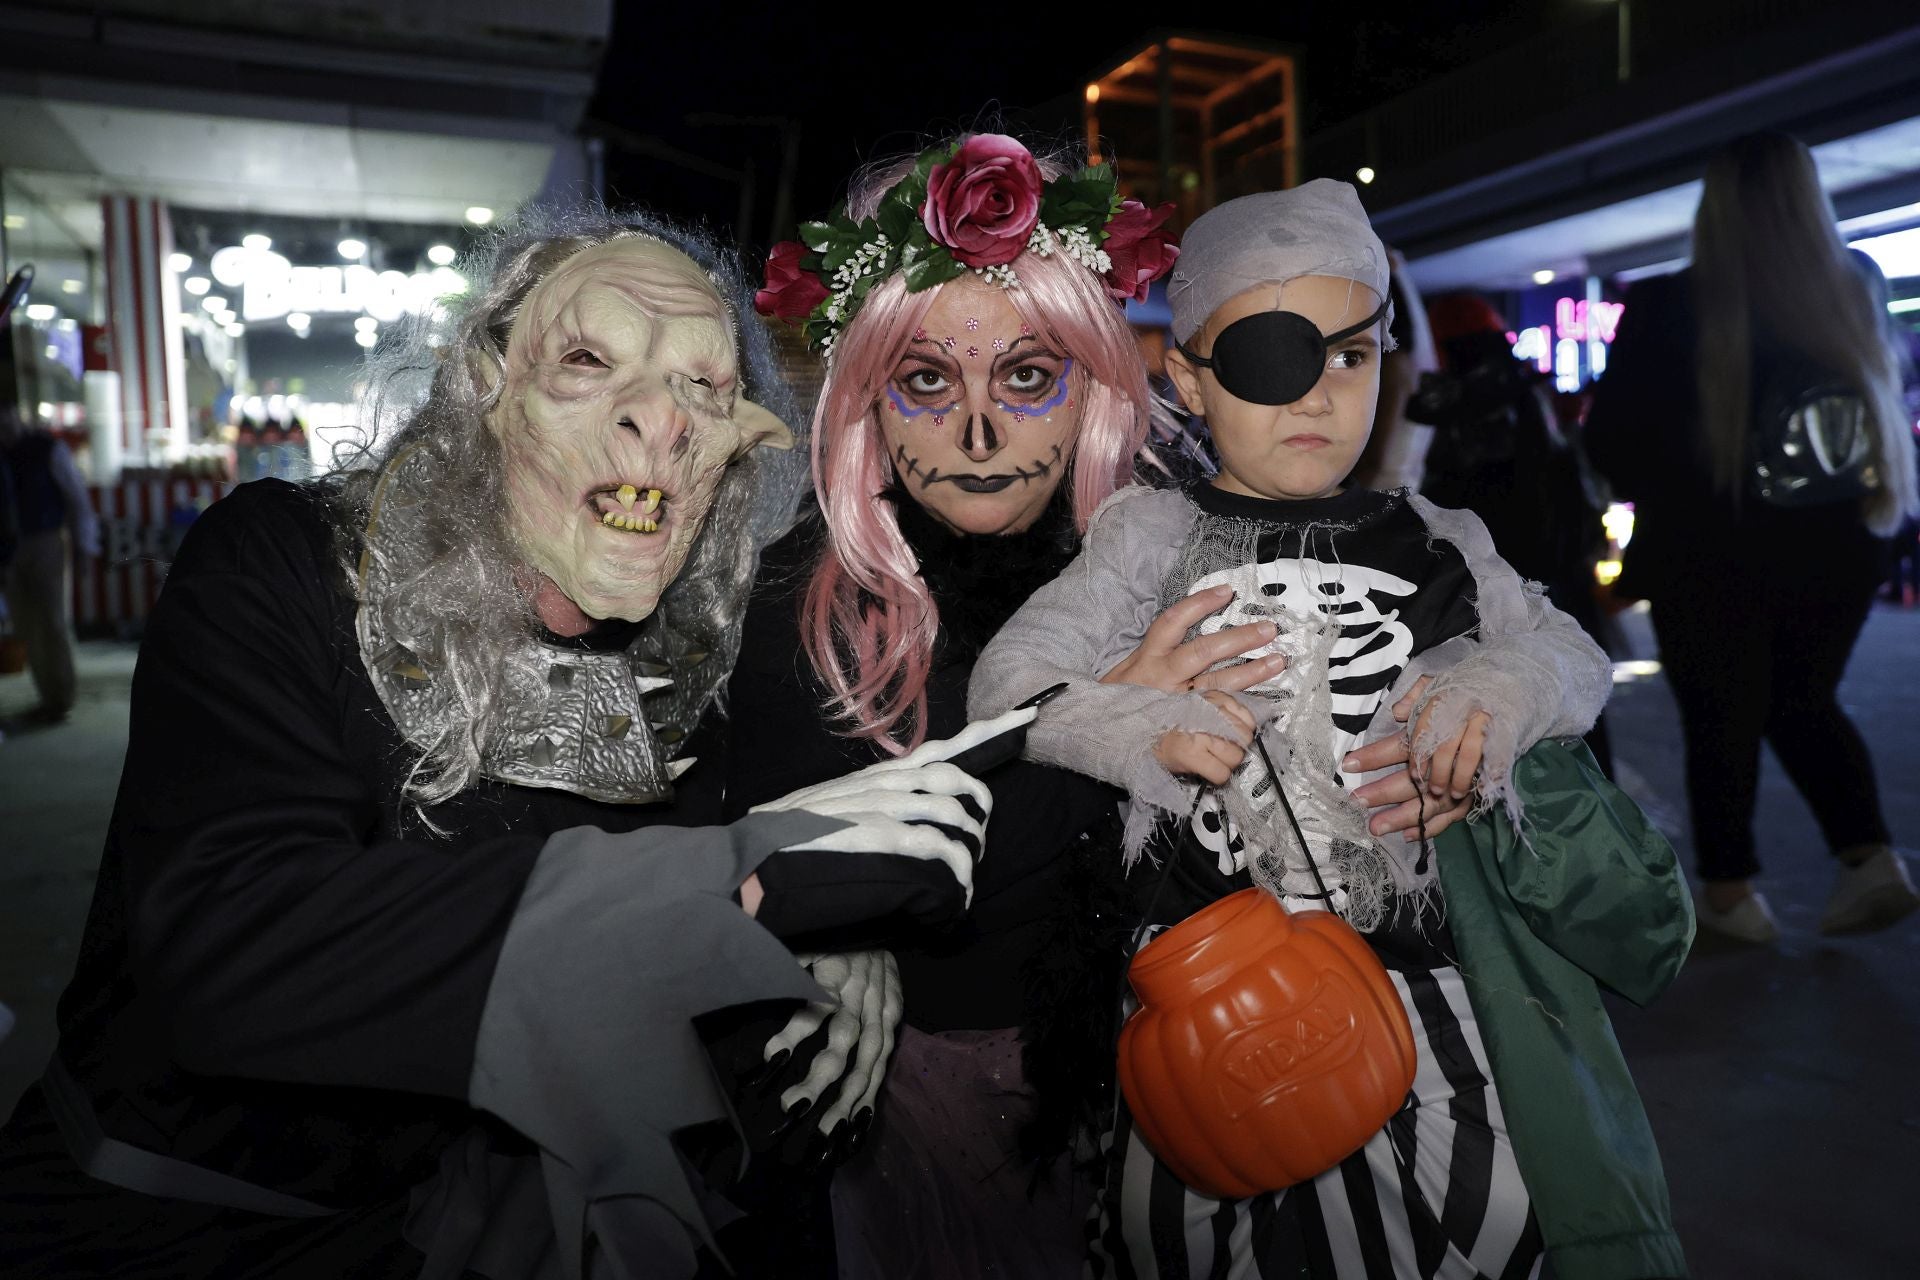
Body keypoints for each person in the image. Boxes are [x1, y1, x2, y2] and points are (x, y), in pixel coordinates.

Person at [0, 207, 1016, 1279]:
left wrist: (829, 935)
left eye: (705, 388)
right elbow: (234, 944)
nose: (657, 421)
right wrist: (738, 886)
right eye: (588, 358)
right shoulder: (280, 562)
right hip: (173, 1232)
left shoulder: (698, 643)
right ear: (485, 384)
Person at [971, 180, 1692, 1279]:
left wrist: (1493, 698)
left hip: (1428, 993)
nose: (1315, 395)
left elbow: (1572, 654)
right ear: (1189, 376)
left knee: (1485, 1233)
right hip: (1203, 1003)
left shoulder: (1443, 534)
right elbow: (1008, 685)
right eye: (1272, 359)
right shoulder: (1147, 537)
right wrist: (1135, 720)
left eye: (1350, 356)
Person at [1586, 131, 1920, 943]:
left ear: (1717, 207)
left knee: (1719, 719)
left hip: (1708, 550)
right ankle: (1870, 859)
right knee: (1805, 701)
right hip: (1842, 547)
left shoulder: (1672, 304)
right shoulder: (1858, 288)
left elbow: (1615, 450)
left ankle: (1734, 897)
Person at [1414, 290, 1614, 772]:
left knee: (1510, 707)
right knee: (1571, 701)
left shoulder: (1455, 406)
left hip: (1495, 577)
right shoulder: (1531, 393)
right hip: (1555, 568)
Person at [0, 403, 100, 725]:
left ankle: (61, 697)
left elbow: (76, 499)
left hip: (45, 540)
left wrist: (84, 546)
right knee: (27, 624)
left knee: (53, 621)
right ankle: (48, 696)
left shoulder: (47, 449)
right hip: (9, 548)